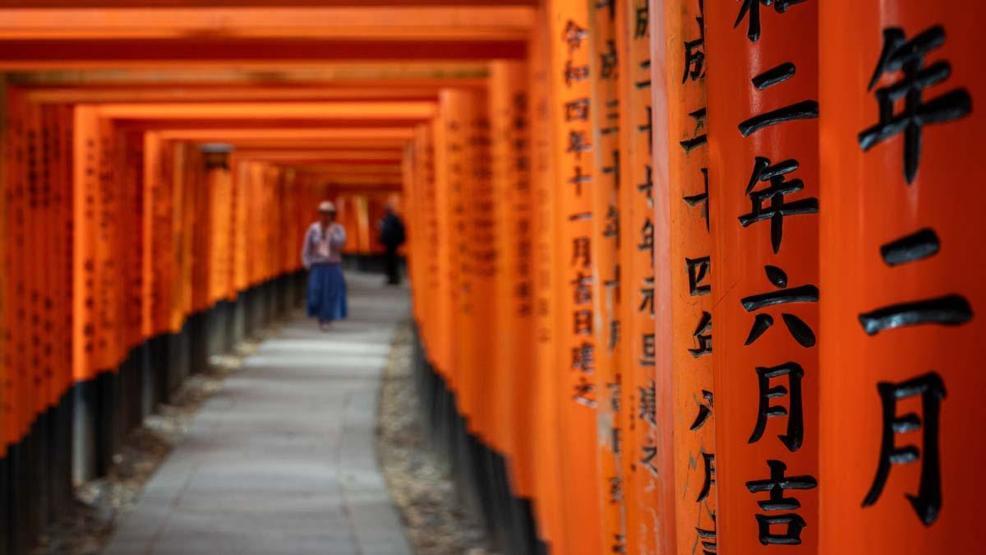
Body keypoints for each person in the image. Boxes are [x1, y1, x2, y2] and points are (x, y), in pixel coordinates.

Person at [302, 201, 348, 331]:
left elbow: (341, 245)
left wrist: (330, 234)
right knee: (316, 293)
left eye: (328, 214)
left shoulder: (338, 229)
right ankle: (320, 317)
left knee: (331, 294)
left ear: (332, 215)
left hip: (332, 265)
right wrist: (307, 262)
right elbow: (307, 247)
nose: (325, 217)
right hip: (317, 265)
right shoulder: (313, 229)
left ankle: (327, 318)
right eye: (322, 213)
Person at [378, 202, 406, 285]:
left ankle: (394, 277)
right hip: (390, 242)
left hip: (391, 242)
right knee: (390, 260)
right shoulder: (387, 218)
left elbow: (399, 229)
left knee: (392, 260)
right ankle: (392, 277)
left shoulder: (391, 218)